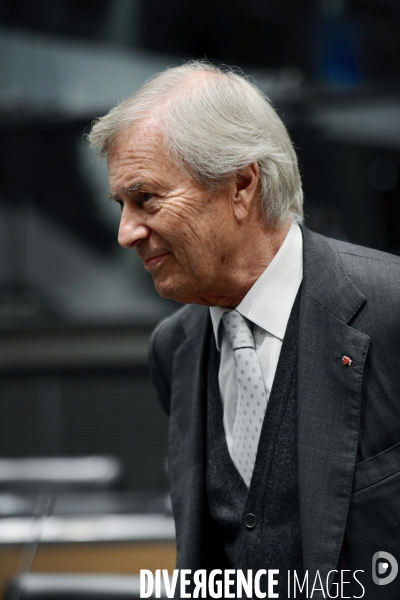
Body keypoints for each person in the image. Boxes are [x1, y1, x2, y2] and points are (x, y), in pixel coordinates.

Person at [89, 61, 400, 599]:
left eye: (146, 198)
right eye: (121, 205)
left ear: (241, 185)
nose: (126, 232)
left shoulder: (391, 313)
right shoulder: (175, 350)